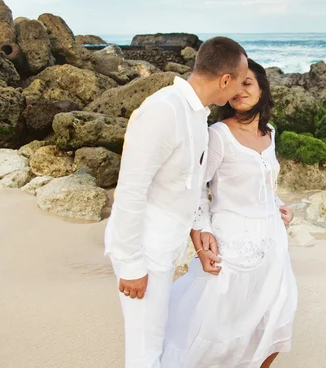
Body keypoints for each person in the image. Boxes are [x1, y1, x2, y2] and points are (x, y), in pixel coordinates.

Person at [104, 37, 248, 368]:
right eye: (239, 82)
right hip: (144, 250)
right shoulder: (162, 111)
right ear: (224, 80)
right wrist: (131, 265)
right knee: (144, 353)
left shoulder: (198, 115)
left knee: (157, 341)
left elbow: (192, 184)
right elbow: (130, 190)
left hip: (165, 247)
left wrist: (199, 227)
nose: (240, 91)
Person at [161, 59, 298, 368]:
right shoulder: (218, 135)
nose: (240, 90)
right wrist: (201, 231)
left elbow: (264, 183)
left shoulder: (271, 133)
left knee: (274, 319)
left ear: (263, 89)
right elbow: (196, 188)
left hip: (272, 244)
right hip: (232, 246)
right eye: (236, 84)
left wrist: (278, 206)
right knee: (220, 329)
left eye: (248, 83)